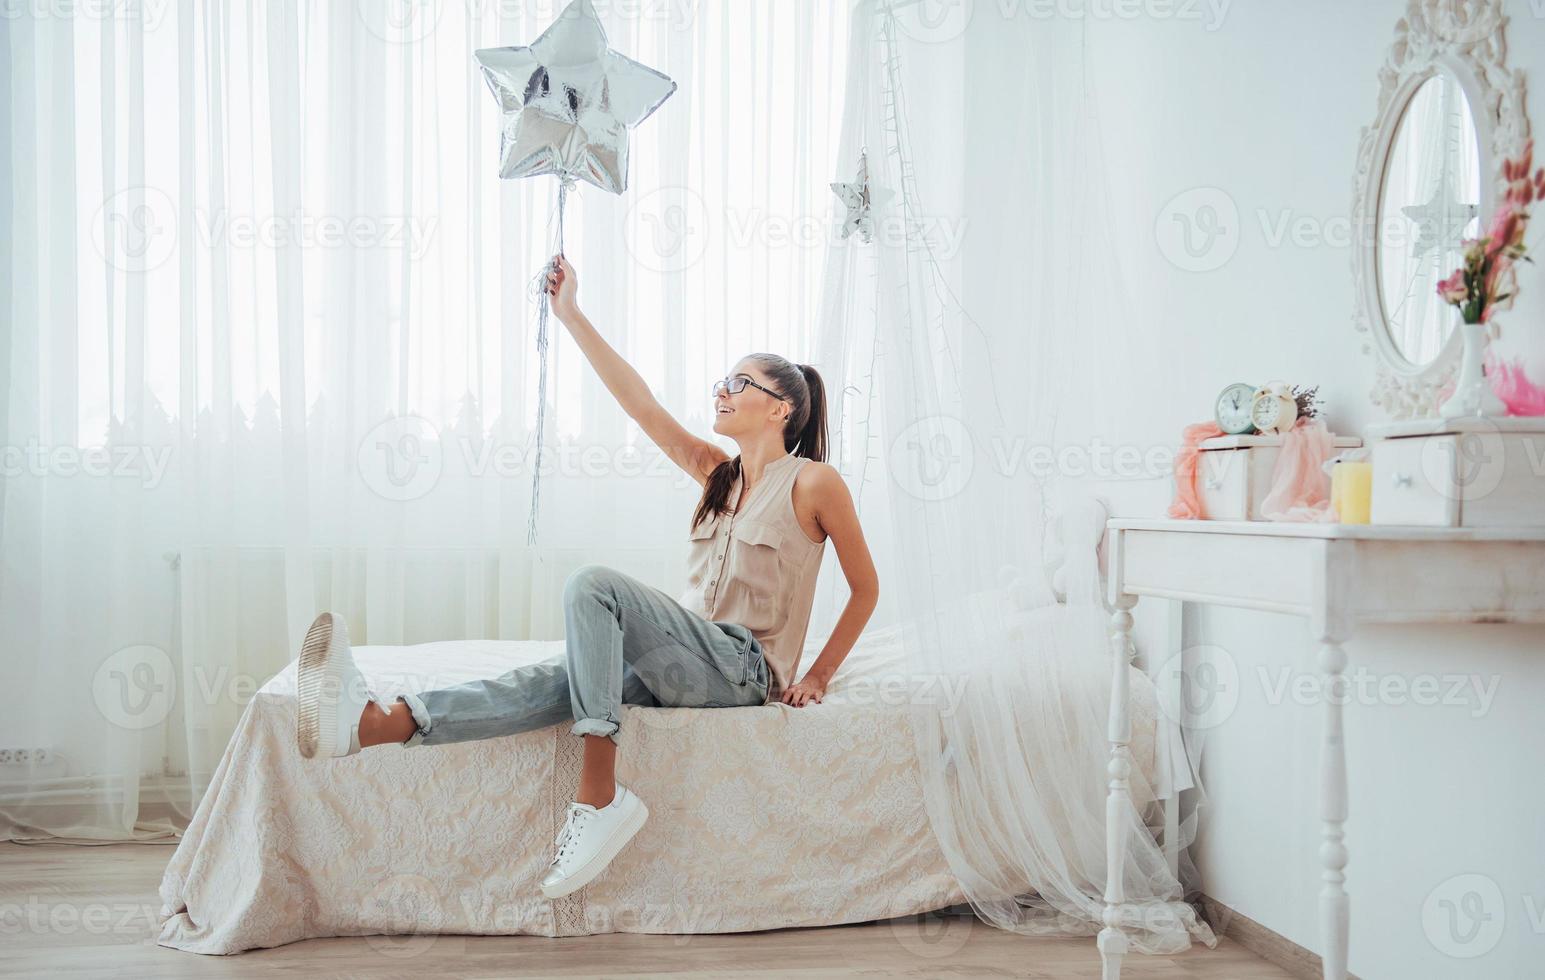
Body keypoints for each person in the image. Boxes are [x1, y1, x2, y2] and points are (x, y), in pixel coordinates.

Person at [291, 255, 880, 900]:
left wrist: (818, 675)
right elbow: (639, 403)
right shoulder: (718, 473)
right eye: (723, 380)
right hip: (686, 660)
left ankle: (597, 799)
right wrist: (570, 314)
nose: (722, 391)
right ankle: (372, 723)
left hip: (742, 670)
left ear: (781, 409)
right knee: (560, 676)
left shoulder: (814, 482)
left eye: (740, 383)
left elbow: (865, 587)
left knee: (593, 585)